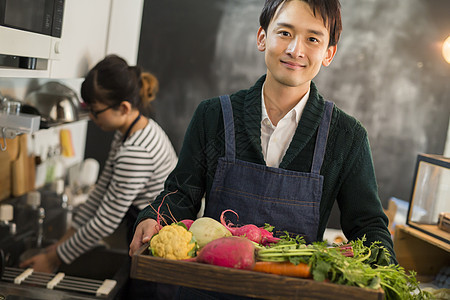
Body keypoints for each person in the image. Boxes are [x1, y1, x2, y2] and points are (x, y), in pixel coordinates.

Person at [130, 0, 396, 297]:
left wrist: (386, 273)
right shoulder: (212, 116)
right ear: (262, 37)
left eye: (312, 39)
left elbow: (368, 225)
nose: (295, 50)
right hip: (209, 288)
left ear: (328, 53)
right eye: (284, 33)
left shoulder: (347, 137)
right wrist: (155, 216)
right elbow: (182, 193)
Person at [20, 55, 178, 278]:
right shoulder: (131, 131)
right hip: (144, 229)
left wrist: (53, 258)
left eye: (95, 110)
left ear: (123, 108)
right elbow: (100, 192)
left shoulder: (136, 151)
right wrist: (61, 245)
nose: (92, 117)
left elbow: (105, 222)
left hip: (157, 246)